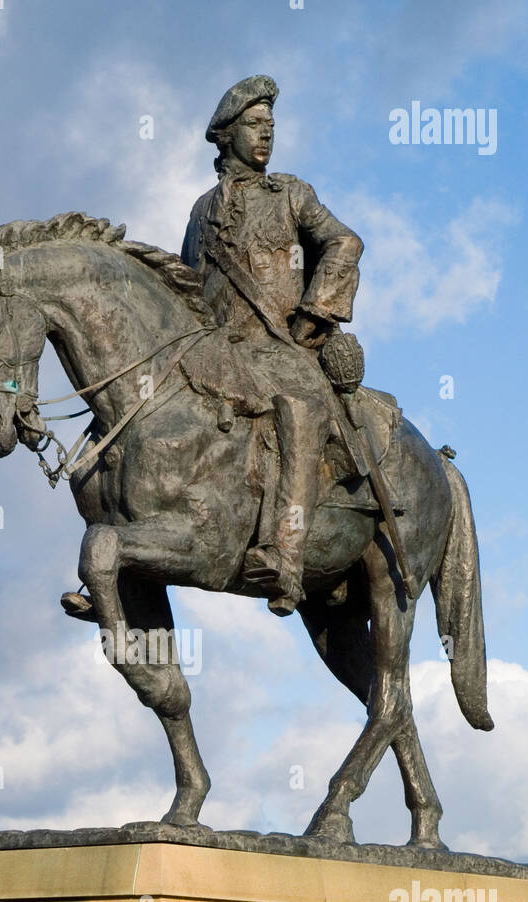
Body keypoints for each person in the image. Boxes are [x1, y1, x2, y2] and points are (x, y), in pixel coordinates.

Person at [181, 75, 364, 614]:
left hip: (278, 347)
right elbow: (189, 284)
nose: (267, 136)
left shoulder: (291, 193)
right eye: (256, 126)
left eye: (271, 127)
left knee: (299, 411)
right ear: (226, 134)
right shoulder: (200, 209)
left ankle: (286, 554)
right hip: (215, 351)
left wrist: (315, 311)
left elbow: (344, 241)